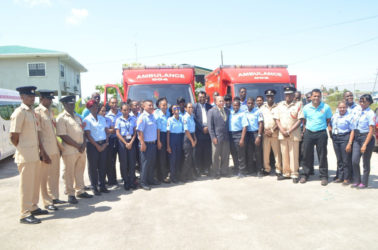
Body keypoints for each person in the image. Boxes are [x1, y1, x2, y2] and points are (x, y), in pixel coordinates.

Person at [10, 86, 46, 224]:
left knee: (34, 184)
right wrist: (22, 149)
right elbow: (13, 136)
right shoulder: (19, 112)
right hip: (25, 156)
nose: (32, 98)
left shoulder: (31, 112)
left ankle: (33, 207)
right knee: (26, 185)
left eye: (33, 95)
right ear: (22, 97)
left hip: (34, 155)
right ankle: (24, 214)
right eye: (29, 95)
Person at [57, 96, 92, 204]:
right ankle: (70, 194)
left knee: (80, 171)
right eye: (70, 104)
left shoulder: (77, 117)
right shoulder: (61, 118)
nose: (72, 106)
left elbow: (82, 132)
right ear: (64, 105)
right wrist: (78, 145)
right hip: (70, 150)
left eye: (73, 104)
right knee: (69, 172)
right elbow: (63, 135)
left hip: (81, 149)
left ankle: (80, 190)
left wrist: (84, 144)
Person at [34, 90, 61, 211]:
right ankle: (47, 201)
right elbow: (38, 133)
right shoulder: (37, 112)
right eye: (48, 99)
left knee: (54, 175)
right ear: (41, 99)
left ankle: (54, 197)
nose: (50, 101)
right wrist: (42, 151)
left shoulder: (50, 112)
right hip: (45, 150)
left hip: (54, 148)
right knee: (44, 177)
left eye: (51, 99)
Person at [300, 89, 332, 185]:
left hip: (321, 133)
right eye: (314, 96)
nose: (316, 98)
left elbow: (328, 119)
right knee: (306, 154)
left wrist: (321, 127)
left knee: (322, 155)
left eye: (318, 96)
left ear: (320, 97)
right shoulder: (306, 107)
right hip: (309, 133)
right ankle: (305, 174)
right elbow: (304, 120)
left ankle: (324, 176)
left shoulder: (326, 107)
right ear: (311, 97)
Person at [274, 87, 304, 183]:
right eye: (286, 94)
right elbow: (277, 119)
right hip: (282, 134)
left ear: (293, 95)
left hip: (293, 134)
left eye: (290, 94)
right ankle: (286, 173)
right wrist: (282, 130)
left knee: (294, 155)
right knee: (284, 154)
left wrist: (289, 131)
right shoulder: (279, 105)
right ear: (284, 95)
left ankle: (294, 174)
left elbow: (300, 120)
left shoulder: (298, 104)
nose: (288, 96)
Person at [84, 100, 110, 195]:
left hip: (103, 143)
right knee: (93, 167)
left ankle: (102, 185)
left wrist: (105, 143)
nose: (95, 108)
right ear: (89, 108)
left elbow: (106, 131)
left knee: (102, 166)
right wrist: (97, 146)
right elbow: (88, 135)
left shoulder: (102, 118)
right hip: (93, 145)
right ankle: (94, 186)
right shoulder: (86, 120)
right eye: (93, 107)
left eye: (96, 106)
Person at [351, 94, 376, 189]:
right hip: (357, 138)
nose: (361, 103)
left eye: (364, 101)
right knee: (354, 161)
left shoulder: (370, 113)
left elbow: (371, 131)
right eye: (360, 101)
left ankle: (364, 182)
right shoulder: (358, 111)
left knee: (365, 162)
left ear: (369, 102)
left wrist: (365, 144)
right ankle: (357, 180)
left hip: (366, 138)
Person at [328, 101, 354, 185]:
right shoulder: (335, 116)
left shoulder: (349, 117)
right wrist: (330, 131)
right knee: (339, 159)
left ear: (346, 108)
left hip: (345, 138)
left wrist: (349, 143)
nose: (342, 109)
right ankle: (340, 176)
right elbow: (330, 124)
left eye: (344, 107)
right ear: (338, 108)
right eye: (340, 107)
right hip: (336, 138)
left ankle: (347, 178)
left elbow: (353, 130)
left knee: (346, 159)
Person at [136, 100, 159, 190]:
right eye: (149, 105)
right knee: (145, 164)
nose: (151, 107)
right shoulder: (142, 117)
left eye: (152, 105)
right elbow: (140, 131)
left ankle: (150, 180)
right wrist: (142, 143)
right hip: (146, 144)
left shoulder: (152, 116)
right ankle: (143, 182)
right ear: (144, 107)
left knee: (151, 163)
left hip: (152, 143)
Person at [260, 89, 282, 176]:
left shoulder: (278, 108)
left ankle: (278, 170)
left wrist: (272, 130)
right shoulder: (262, 108)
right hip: (265, 134)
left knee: (277, 153)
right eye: (268, 96)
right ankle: (267, 169)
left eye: (271, 96)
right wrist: (264, 131)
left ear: (274, 97)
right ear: (266, 97)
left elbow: (279, 120)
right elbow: (260, 121)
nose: (270, 98)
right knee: (266, 153)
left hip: (275, 133)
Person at [115, 103, 137, 190]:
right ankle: (126, 181)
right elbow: (117, 133)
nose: (126, 111)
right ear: (121, 111)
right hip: (122, 142)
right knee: (123, 163)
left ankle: (132, 181)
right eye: (124, 110)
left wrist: (131, 142)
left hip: (131, 140)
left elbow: (135, 132)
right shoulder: (118, 120)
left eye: (128, 110)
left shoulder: (133, 119)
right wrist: (125, 143)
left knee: (132, 162)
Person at [207, 96, 230, 178]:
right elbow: (210, 126)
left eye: (222, 101)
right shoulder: (211, 111)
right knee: (215, 156)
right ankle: (216, 172)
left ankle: (224, 171)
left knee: (225, 155)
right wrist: (213, 137)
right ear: (216, 102)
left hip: (226, 137)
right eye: (220, 101)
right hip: (217, 137)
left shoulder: (227, 111)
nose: (221, 102)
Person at [193, 91, 212, 176]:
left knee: (207, 152)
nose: (202, 99)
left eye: (203, 97)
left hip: (208, 133)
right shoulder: (194, 107)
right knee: (198, 152)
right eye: (200, 97)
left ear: (206, 98)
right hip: (199, 133)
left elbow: (212, 119)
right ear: (198, 98)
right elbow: (195, 120)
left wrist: (208, 127)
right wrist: (202, 128)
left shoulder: (210, 107)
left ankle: (206, 169)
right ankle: (199, 169)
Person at [105, 97, 122, 188]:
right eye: (112, 103)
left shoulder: (121, 114)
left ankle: (125, 178)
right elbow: (107, 130)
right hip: (111, 140)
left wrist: (113, 130)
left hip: (121, 139)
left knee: (123, 160)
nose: (114, 104)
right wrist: (114, 130)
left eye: (116, 103)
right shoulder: (107, 116)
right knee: (111, 160)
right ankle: (112, 180)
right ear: (109, 104)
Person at [229, 100, 248, 177]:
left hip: (239, 134)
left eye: (237, 105)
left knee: (240, 154)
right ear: (232, 106)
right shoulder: (230, 113)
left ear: (239, 106)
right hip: (231, 135)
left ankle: (242, 171)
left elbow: (244, 127)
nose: (235, 107)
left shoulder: (242, 114)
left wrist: (242, 139)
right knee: (234, 154)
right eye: (234, 105)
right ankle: (236, 169)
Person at [245, 97, 263, 175]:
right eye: (249, 103)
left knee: (258, 153)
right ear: (247, 104)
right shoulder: (245, 112)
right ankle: (251, 170)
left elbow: (261, 124)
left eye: (252, 103)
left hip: (256, 133)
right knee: (249, 153)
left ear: (254, 104)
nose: (250, 104)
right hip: (248, 134)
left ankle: (259, 170)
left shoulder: (258, 111)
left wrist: (259, 136)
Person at [154, 97, 171, 182]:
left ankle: (165, 174)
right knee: (161, 157)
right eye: (163, 105)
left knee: (166, 156)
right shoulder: (157, 114)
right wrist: (159, 141)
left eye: (166, 105)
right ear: (159, 106)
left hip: (167, 135)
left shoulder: (168, 113)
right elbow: (158, 129)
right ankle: (161, 177)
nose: (165, 106)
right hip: (160, 136)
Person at [167, 105, 184, 183]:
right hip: (173, 139)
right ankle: (173, 177)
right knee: (173, 159)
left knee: (178, 159)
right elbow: (168, 133)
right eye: (175, 109)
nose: (177, 109)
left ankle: (178, 175)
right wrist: (168, 146)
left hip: (180, 138)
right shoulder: (170, 120)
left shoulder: (181, 119)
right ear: (172, 111)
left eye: (178, 108)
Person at [181, 103, 197, 182]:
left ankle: (190, 175)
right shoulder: (185, 117)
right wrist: (192, 141)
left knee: (191, 158)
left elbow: (193, 129)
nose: (191, 108)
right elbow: (186, 130)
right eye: (189, 107)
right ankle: (183, 176)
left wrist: (195, 138)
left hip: (192, 136)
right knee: (187, 158)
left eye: (192, 107)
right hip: (187, 138)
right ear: (185, 108)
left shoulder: (192, 117)